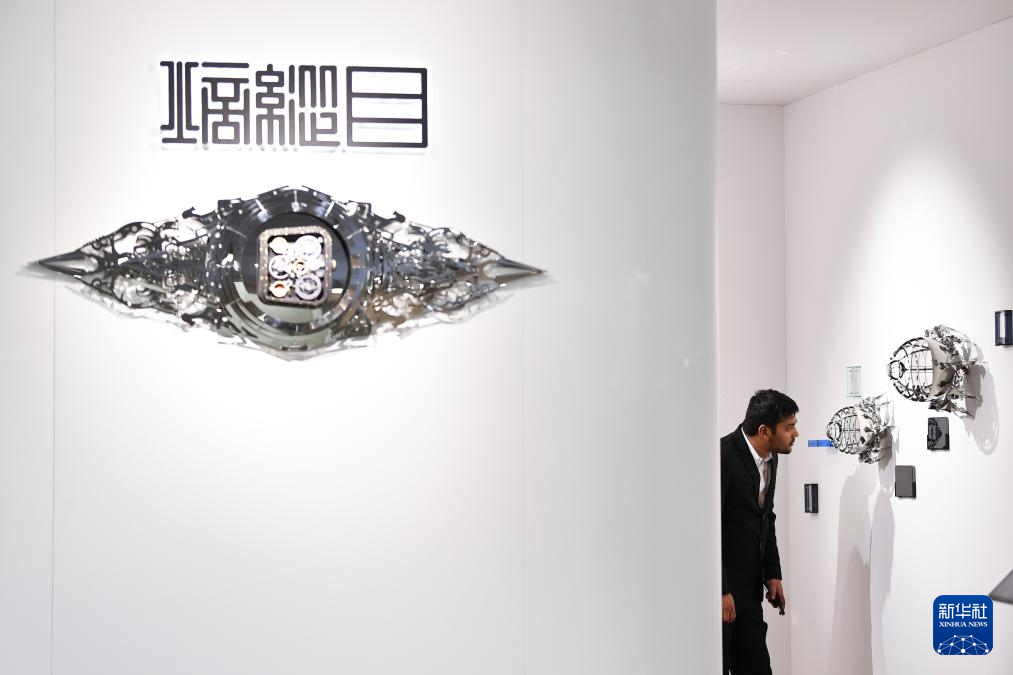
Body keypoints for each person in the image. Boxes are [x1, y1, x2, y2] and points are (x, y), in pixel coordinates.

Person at [721, 389, 799, 674]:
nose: (796, 434)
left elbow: (767, 517)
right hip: (723, 591)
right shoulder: (722, 456)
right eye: (789, 427)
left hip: (750, 588)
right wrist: (721, 590)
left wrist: (772, 573)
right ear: (765, 431)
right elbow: (707, 530)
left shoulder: (771, 457)